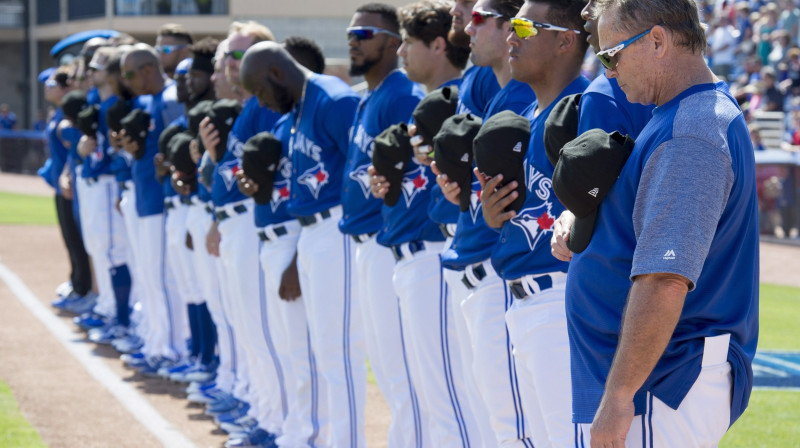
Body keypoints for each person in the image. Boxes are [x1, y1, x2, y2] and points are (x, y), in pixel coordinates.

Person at [559, 0, 759, 445]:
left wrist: (619, 394)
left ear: (656, 40)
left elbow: (664, 278)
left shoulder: (692, 130)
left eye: (611, 54)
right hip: (653, 379)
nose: (608, 70)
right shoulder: (676, 114)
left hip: (661, 381)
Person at [241, 40, 365, 448]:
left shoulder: (333, 99)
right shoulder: (297, 108)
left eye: (259, 90)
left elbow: (358, 178)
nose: (260, 101)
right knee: (323, 353)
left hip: (336, 232)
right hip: (311, 233)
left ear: (276, 73)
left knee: (339, 353)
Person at [478, 0, 589, 445]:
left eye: (525, 26)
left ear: (566, 40)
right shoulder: (529, 117)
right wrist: (494, 217)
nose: (511, 35)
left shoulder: (586, 106)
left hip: (561, 298)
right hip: (521, 301)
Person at [434, 0, 540, 445]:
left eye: (478, 18)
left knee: (512, 425)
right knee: (494, 418)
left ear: (510, 25)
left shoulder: (523, 94)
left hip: (502, 271)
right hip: (477, 265)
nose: (468, 26)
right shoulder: (489, 85)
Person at [338, 4, 428, 447]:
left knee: (401, 370)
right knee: (388, 367)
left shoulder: (400, 94)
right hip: (366, 243)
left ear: (394, 43)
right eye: (351, 33)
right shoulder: (370, 94)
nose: (354, 40)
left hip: (385, 238)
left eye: (365, 33)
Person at [236, 35, 331, 448]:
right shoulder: (285, 122)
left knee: (309, 352)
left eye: (260, 89)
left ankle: (306, 434)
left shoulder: (325, 106)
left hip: (304, 240)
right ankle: (295, 429)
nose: (260, 99)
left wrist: (293, 259)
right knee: (291, 349)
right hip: (281, 236)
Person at [197, 21, 286, 447]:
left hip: (254, 222)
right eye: (229, 56)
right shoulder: (250, 107)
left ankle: (272, 416)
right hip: (235, 222)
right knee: (249, 328)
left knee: (264, 331)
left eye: (235, 55)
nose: (229, 64)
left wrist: (217, 162)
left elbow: (257, 171)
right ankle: (261, 409)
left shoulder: (265, 105)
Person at [119, 44, 185, 374]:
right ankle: (157, 342)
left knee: (161, 278)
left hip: (162, 201)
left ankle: (168, 349)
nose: (126, 81)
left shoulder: (172, 99)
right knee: (150, 276)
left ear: (148, 69)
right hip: (146, 198)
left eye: (129, 73)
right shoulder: (147, 102)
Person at [40, 67, 93, 314]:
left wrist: (66, 174)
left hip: (73, 184)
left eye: (52, 83)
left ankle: (84, 287)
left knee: (78, 239)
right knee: (70, 238)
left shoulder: (70, 114)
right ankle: (77, 282)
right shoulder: (57, 114)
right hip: (62, 182)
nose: (47, 88)